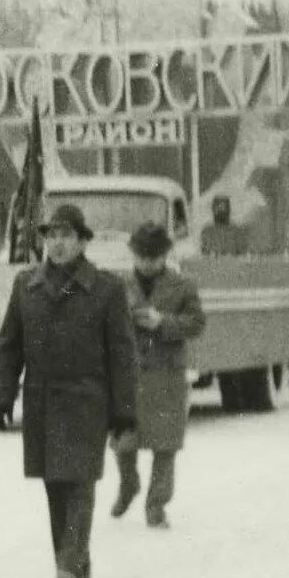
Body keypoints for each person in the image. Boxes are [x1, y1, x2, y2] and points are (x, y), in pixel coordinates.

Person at [0, 202, 139, 578]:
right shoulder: (26, 286)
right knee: (55, 485)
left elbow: (123, 354)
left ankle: (68, 563)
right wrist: (2, 394)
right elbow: (9, 346)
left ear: (83, 241)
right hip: (41, 400)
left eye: (66, 235)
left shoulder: (106, 288)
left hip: (88, 399)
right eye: (51, 236)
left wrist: (124, 411)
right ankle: (75, 564)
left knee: (80, 482)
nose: (57, 244)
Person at [115, 222, 205, 530]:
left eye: (154, 257)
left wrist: (164, 323)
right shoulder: (119, 284)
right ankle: (129, 485)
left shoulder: (183, 285)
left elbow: (196, 322)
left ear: (165, 256)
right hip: (129, 372)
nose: (147, 263)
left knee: (165, 446)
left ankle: (157, 505)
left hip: (166, 374)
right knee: (123, 441)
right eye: (142, 256)